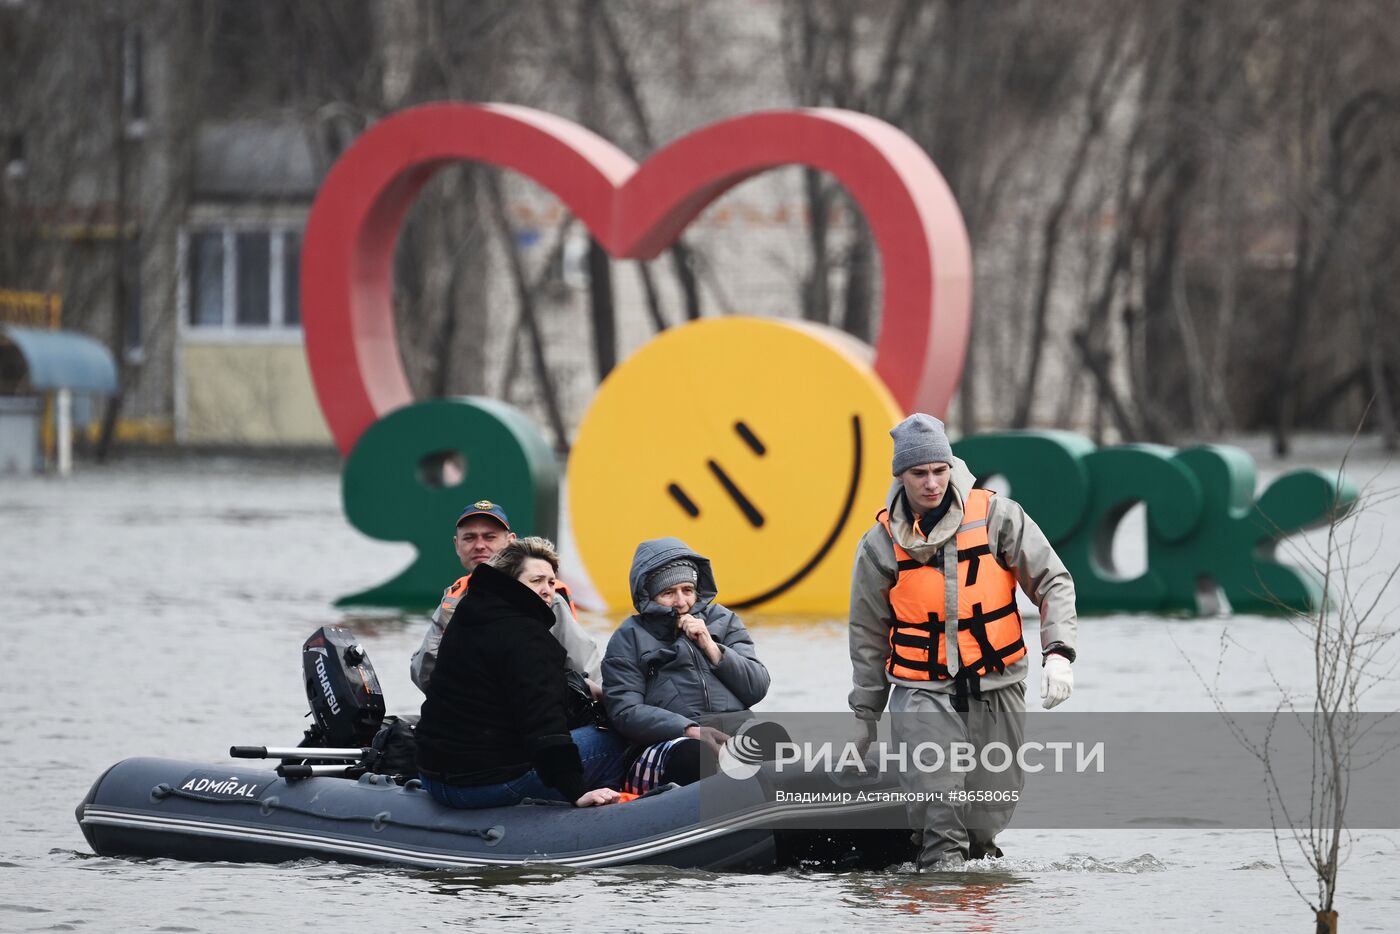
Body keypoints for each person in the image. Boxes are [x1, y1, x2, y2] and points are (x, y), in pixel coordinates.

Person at [848, 413, 1078, 870]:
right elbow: (867, 636)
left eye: (939, 469)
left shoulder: (999, 517)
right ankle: (937, 890)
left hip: (997, 681)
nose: (932, 482)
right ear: (901, 476)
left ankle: (973, 886)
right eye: (919, 473)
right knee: (939, 804)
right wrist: (865, 716)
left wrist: (1059, 653)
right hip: (921, 690)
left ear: (951, 466)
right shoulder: (878, 545)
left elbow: (1054, 581)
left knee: (988, 811)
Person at [414, 537, 627, 809]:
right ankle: (598, 818)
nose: (547, 590)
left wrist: (580, 687)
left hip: (434, 777)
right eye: (536, 580)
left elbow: (503, 682)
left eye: (551, 582)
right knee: (608, 741)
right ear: (511, 581)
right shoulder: (529, 637)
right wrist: (574, 790)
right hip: (481, 786)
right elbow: (544, 723)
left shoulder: (468, 615)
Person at [602, 537, 772, 793]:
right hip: (670, 742)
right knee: (697, 754)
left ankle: (783, 826)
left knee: (773, 737)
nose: (681, 602)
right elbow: (625, 710)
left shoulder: (725, 620)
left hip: (732, 730)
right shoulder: (629, 636)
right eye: (668, 593)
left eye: (687, 590)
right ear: (649, 596)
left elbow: (756, 688)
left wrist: (712, 648)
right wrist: (689, 729)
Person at [410, 500, 601, 692]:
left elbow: (586, 670)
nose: (479, 545)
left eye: (489, 537)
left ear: (510, 541)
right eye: (469, 538)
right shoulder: (453, 599)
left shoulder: (546, 597)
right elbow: (423, 676)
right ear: (456, 545)